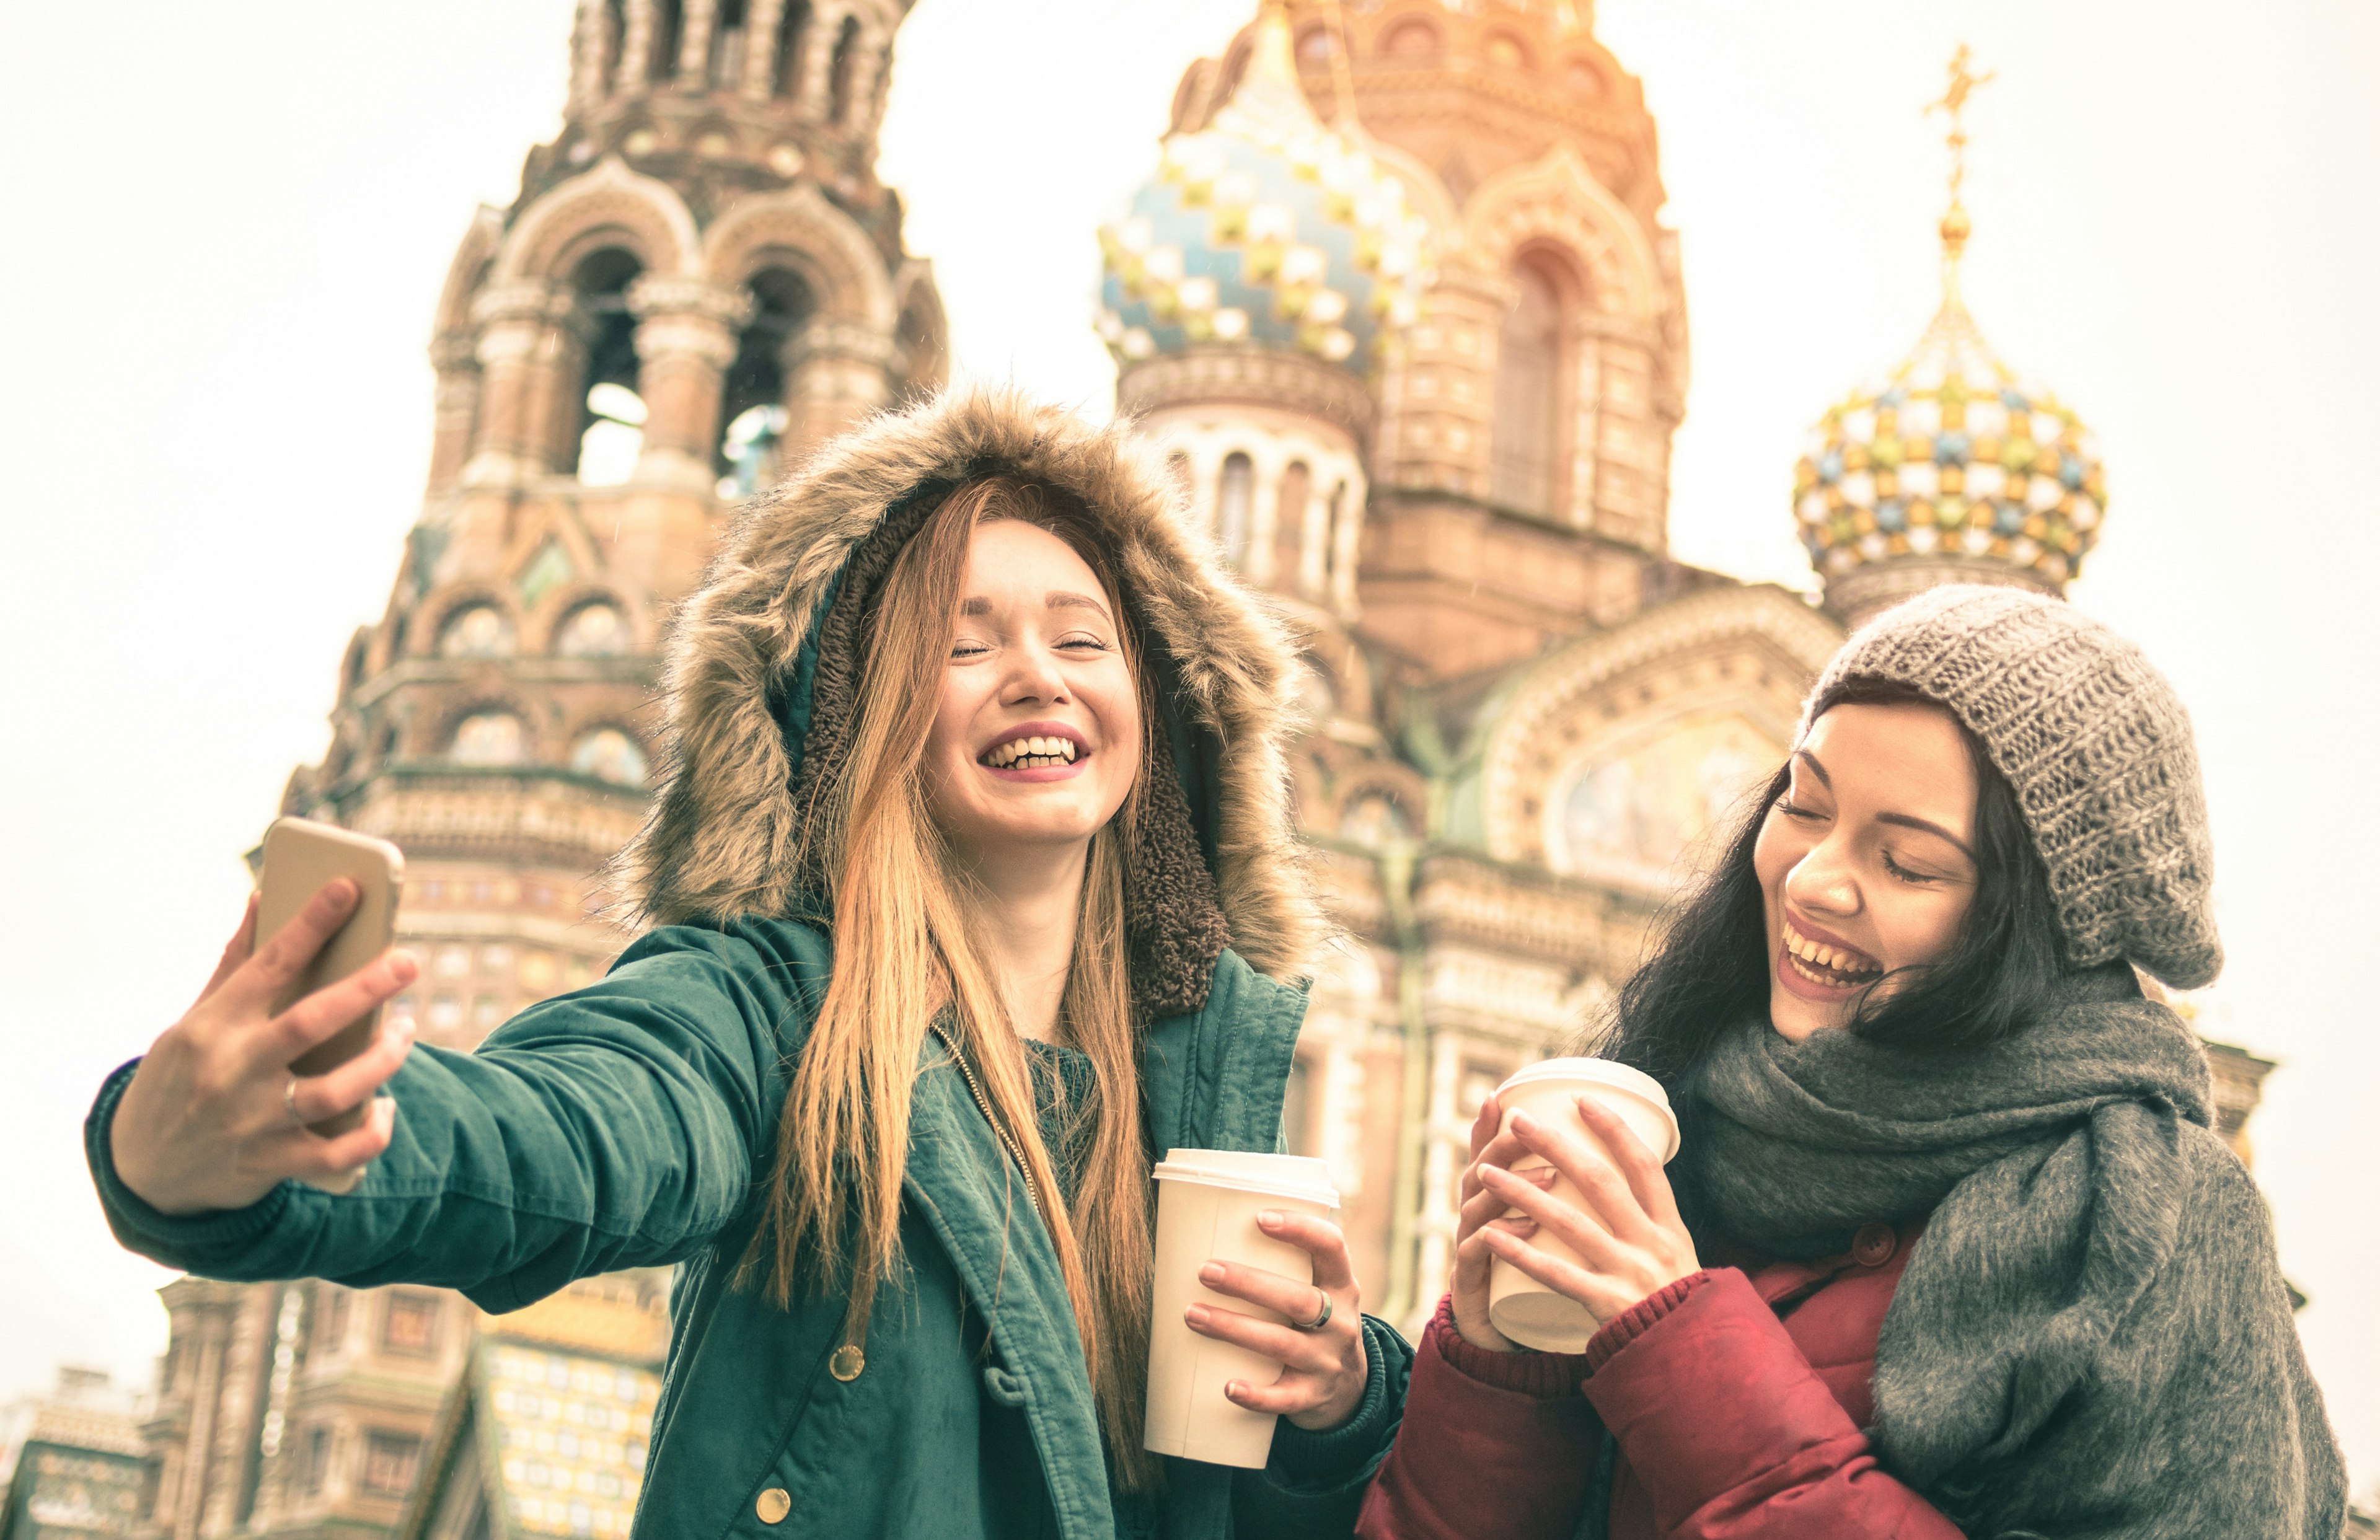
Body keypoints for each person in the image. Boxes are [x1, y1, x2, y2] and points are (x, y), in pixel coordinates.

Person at [87, 389, 1412, 1539]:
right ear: (859, 712)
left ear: (1160, 708)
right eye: (961, 644)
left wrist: (1335, 1402)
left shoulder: (1199, 1086)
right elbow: (581, 1125)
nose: (1033, 677)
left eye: (1081, 640)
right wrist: (237, 1144)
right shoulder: (779, 1012)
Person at [1357, 585, 2346, 1539]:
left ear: (2036, 925)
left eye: (1907, 862)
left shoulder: (2150, 1210)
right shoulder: (1681, 1103)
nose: (1815, 882)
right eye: (1805, 804)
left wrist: (1676, 1342)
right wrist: (1496, 1368)